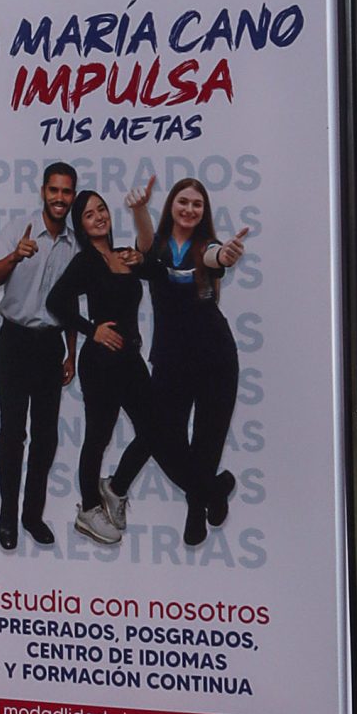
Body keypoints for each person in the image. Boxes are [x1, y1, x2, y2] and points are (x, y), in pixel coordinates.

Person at [45, 179, 191, 546]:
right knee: (99, 435)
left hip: (131, 358)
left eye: (101, 210)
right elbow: (56, 302)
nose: (98, 217)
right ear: (81, 225)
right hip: (101, 362)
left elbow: (157, 271)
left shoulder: (125, 255)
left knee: (156, 430)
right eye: (89, 214)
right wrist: (91, 329)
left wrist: (142, 258)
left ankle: (115, 486)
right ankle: (88, 509)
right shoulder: (85, 262)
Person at [124, 175, 250, 550]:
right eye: (183, 202)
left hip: (216, 357)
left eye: (197, 204)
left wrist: (225, 255)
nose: (189, 209)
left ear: (204, 211)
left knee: (208, 439)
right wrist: (139, 210)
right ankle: (214, 489)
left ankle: (196, 510)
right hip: (170, 360)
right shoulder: (159, 245)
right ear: (171, 206)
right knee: (165, 440)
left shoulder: (206, 246)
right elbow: (145, 246)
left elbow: (215, 257)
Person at [0, 162, 78, 550]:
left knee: (45, 437)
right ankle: (7, 517)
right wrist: (15, 256)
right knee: (12, 434)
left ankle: (32, 516)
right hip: (15, 341)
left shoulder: (75, 244)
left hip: (51, 345)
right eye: (54, 190)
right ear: (43, 192)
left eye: (66, 192)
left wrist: (72, 354)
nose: (59, 198)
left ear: (73, 197)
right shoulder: (18, 229)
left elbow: (71, 303)